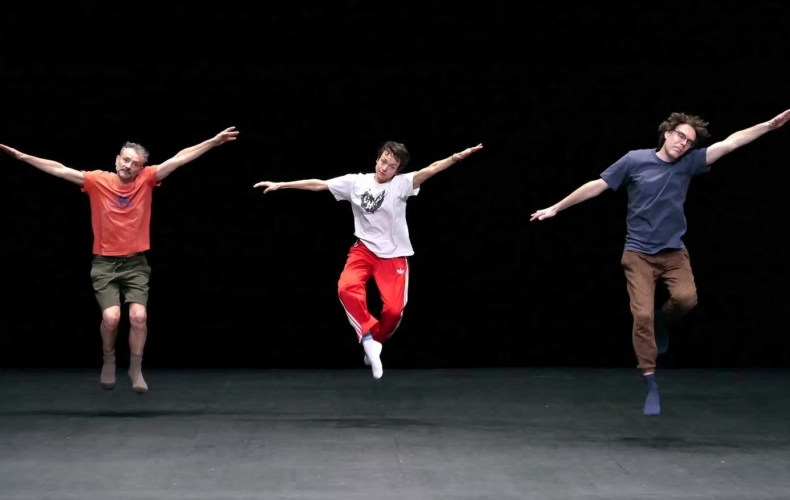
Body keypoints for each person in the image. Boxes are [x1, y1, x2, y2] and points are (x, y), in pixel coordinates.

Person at [530, 109, 790, 416]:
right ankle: (650, 379)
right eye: (680, 136)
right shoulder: (634, 160)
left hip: (673, 253)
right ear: (667, 134)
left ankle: (663, 319)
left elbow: (731, 143)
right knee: (641, 316)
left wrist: (768, 126)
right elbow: (598, 185)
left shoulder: (689, 163)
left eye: (689, 142)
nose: (683, 143)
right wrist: (557, 207)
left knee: (686, 300)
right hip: (638, 255)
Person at [0, 126, 239, 393]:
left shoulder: (146, 180)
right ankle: (109, 359)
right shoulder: (97, 181)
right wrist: (22, 156)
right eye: (126, 160)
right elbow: (59, 169)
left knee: (138, 316)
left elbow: (180, 158)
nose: (129, 166)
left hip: (135, 263)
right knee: (112, 318)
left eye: (135, 164)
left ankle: (135, 368)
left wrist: (212, 142)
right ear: (117, 160)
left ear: (141, 168)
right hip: (105, 263)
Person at [254, 141, 483, 379]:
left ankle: (375, 343)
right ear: (377, 159)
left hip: (394, 255)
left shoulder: (401, 184)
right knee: (346, 288)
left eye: (392, 166)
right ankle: (367, 336)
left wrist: (456, 157)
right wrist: (282, 184)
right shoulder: (356, 182)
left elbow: (431, 169)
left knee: (393, 311)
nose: (385, 168)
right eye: (383, 161)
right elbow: (319, 184)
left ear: (397, 170)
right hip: (364, 250)